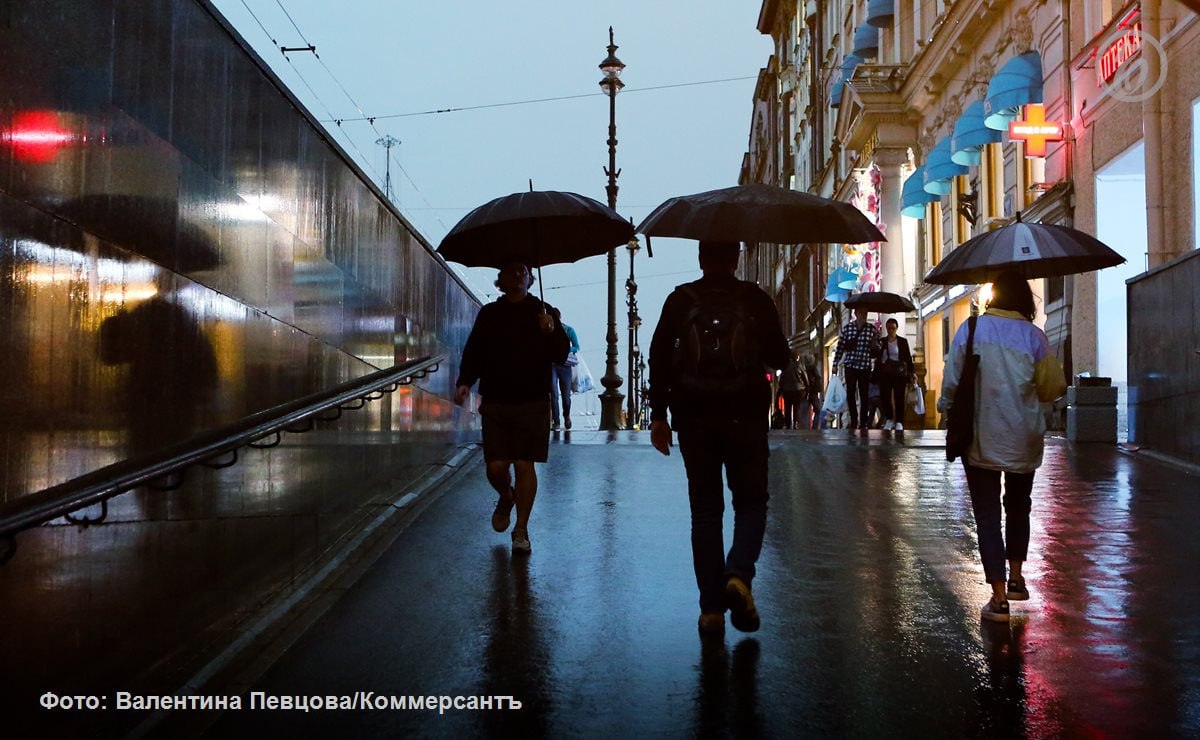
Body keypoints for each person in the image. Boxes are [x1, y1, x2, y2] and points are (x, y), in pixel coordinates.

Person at [648, 241, 790, 635]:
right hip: (744, 414)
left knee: (706, 512)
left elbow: (658, 358)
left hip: (694, 418)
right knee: (750, 502)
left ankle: (711, 610)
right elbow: (780, 357)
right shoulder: (754, 299)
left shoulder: (681, 300)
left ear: (700, 259)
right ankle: (739, 575)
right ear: (736, 257)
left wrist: (659, 415)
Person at [938, 270, 1066, 623]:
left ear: (993, 296)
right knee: (1018, 507)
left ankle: (997, 599)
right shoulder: (1035, 337)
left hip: (982, 435)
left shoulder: (972, 329)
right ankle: (1016, 578)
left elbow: (952, 381)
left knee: (987, 514)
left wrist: (946, 409)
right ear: (1025, 299)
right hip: (1023, 437)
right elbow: (1051, 389)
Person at [454, 261, 570, 555]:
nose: (518, 276)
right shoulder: (491, 313)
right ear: (501, 280)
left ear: (531, 279)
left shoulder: (544, 312)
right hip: (496, 398)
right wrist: (465, 381)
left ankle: (521, 528)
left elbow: (561, 354)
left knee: (524, 463)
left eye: (523, 271)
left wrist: (552, 330)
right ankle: (506, 495)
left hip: (533, 399)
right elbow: (475, 350)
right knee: (496, 466)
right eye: (511, 271)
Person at [832, 306, 879, 434]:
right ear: (856, 314)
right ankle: (853, 420)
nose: (863, 315)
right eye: (861, 313)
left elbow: (877, 348)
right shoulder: (847, 329)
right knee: (851, 393)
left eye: (865, 313)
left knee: (864, 395)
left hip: (864, 366)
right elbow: (840, 347)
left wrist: (874, 345)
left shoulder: (872, 330)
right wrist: (835, 363)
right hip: (851, 365)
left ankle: (863, 422)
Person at [877, 317, 916, 432]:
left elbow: (908, 358)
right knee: (886, 397)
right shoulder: (882, 342)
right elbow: (878, 357)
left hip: (899, 373)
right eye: (889, 328)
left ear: (896, 329)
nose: (891, 330)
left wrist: (912, 372)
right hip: (886, 373)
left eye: (893, 328)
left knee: (900, 397)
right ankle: (889, 419)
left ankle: (899, 421)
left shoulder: (902, 342)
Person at [550, 323, 581, 430]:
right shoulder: (548, 331)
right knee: (554, 394)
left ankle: (566, 416)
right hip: (552, 365)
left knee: (566, 396)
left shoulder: (568, 330)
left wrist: (566, 349)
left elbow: (576, 346)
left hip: (565, 365)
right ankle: (556, 421)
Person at [777, 352, 809, 429]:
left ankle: (788, 424)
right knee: (796, 407)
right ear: (797, 357)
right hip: (798, 390)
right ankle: (795, 423)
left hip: (787, 390)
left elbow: (781, 380)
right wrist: (807, 389)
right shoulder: (800, 365)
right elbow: (805, 378)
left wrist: (781, 389)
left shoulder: (785, 366)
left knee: (787, 408)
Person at [801, 352, 822, 430]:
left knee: (805, 412)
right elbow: (818, 378)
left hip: (804, 392)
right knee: (817, 410)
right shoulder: (814, 368)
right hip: (813, 392)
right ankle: (815, 427)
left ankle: (805, 428)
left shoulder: (802, 368)